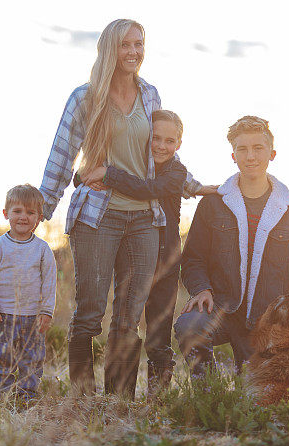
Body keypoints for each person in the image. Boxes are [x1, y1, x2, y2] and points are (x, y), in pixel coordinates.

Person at [38, 19, 163, 399]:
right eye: (126, 45)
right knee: (90, 311)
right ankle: (81, 394)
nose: (134, 52)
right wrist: (41, 206)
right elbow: (62, 153)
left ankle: (120, 400)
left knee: (129, 316)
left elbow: (162, 150)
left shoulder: (151, 95)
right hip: (97, 218)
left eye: (139, 44)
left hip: (144, 219)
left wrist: (185, 187)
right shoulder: (85, 97)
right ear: (110, 49)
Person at [81, 110, 217, 395]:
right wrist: (87, 174)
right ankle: (119, 394)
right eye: (155, 138)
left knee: (159, 331)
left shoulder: (176, 172)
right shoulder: (133, 163)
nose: (161, 146)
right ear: (145, 137)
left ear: (179, 144)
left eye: (169, 140)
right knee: (125, 322)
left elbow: (148, 190)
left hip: (165, 261)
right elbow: (81, 177)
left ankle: (158, 396)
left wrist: (111, 176)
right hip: (131, 258)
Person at [174, 115, 289, 374]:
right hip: (221, 310)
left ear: (272, 153)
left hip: (268, 322)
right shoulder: (212, 204)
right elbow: (193, 258)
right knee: (188, 326)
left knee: (253, 398)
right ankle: (209, 393)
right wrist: (202, 289)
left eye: (257, 148)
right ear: (233, 156)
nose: (250, 156)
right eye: (242, 149)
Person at [0, 184, 57, 400]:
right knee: (2, 356)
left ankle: (27, 395)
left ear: (39, 217)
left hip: (33, 317)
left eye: (30, 212)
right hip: (3, 315)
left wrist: (46, 311)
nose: (23, 217)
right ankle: (2, 393)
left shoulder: (42, 250)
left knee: (32, 357)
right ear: (6, 214)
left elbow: (50, 283)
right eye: (17, 211)